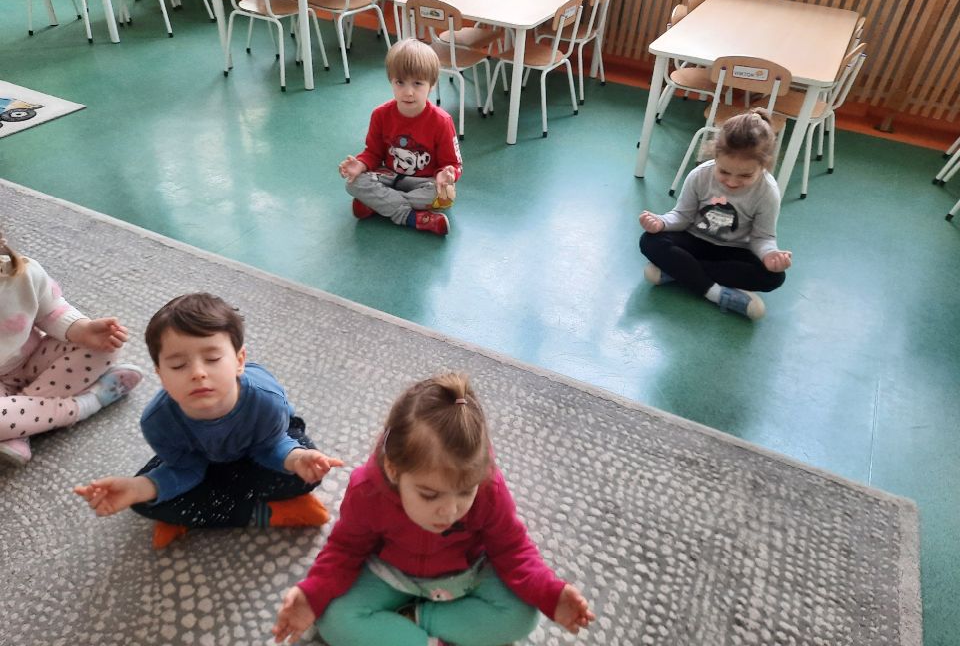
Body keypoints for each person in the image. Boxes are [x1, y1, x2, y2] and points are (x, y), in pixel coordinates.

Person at [272, 373, 595, 646]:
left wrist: (552, 594)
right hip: (391, 575)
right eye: (430, 495)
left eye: (465, 492)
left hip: (466, 576)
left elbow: (513, 549)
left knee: (523, 617)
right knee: (333, 619)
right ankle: (435, 635)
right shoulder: (367, 489)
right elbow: (345, 549)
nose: (450, 511)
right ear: (394, 470)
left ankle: (414, 620)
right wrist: (311, 595)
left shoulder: (488, 486)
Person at [74, 293, 343, 549]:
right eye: (178, 365)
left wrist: (297, 459)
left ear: (239, 361)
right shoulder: (158, 422)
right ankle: (264, 511)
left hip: (267, 445)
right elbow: (186, 468)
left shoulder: (266, 399)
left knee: (306, 473)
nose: (198, 373)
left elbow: (272, 445)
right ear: (161, 375)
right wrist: (137, 489)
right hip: (203, 461)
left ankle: (215, 512)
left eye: (212, 359)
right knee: (141, 500)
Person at [0, 230, 143, 466]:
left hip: (33, 359)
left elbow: (51, 311)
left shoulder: (24, 273)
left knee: (105, 345)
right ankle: (89, 402)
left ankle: (20, 423)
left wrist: (83, 329)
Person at [638, 109, 793, 320]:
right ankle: (716, 293)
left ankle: (677, 272)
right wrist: (661, 222)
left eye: (745, 175)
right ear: (715, 155)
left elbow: (762, 237)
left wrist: (769, 255)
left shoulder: (767, 191)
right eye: (724, 172)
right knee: (649, 240)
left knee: (774, 277)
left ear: (764, 165)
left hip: (733, 250)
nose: (732, 182)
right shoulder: (700, 175)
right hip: (694, 240)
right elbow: (682, 216)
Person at [339, 38, 463, 237]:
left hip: (424, 183)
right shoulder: (380, 114)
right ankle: (413, 218)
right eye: (400, 82)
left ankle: (378, 205)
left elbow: (453, 164)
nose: (408, 92)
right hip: (389, 176)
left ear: (431, 85)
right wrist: (360, 164)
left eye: (417, 83)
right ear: (391, 81)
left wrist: (446, 175)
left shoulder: (442, 121)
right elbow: (373, 153)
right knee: (354, 183)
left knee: (445, 195)